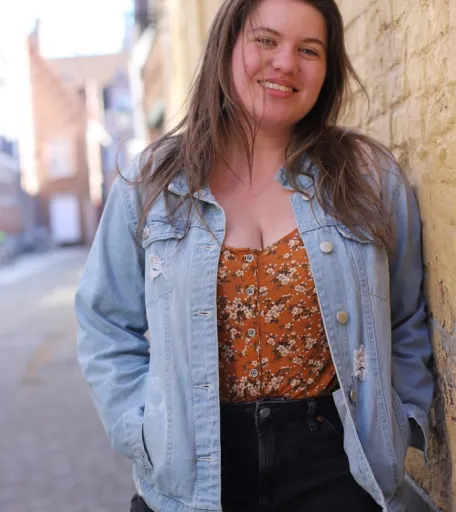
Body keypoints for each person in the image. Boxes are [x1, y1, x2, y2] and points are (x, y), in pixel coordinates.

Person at [75, 0, 434, 510]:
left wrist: (402, 422)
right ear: (226, 46)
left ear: (327, 70)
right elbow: (104, 322)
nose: (286, 63)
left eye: (308, 50)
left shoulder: (367, 176)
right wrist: (145, 433)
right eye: (266, 40)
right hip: (195, 474)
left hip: (338, 467)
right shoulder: (153, 183)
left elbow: (406, 315)